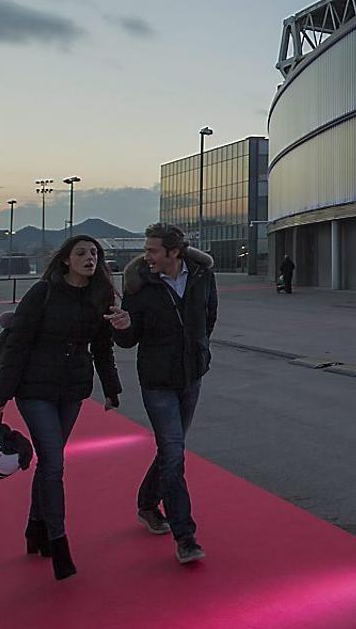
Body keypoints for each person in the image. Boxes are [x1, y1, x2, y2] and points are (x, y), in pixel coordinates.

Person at [0, 235, 128, 581]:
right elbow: (17, 345)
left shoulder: (101, 295)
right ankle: (58, 541)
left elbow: (103, 347)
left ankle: (35, 527)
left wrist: (111, 389)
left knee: (49, 461)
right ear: (65, 260)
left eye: (94, 253)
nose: (89, 258)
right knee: (54, 462)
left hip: (72, 390)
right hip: (34, 389)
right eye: (81, 253)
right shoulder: (42, 292)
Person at [115, 223, 218, 566]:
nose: (147, 256)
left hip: (191, 376)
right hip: (157, 380)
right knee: (173, 453)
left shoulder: (202, 275)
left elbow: (209, 316)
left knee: (170, 450)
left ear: (174, 252)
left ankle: (147, 503)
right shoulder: (139, 285)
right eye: (146, 250)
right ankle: (185, 537)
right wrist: (123, 327)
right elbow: (130, 339)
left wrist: (199, 349)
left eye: (153, 250)